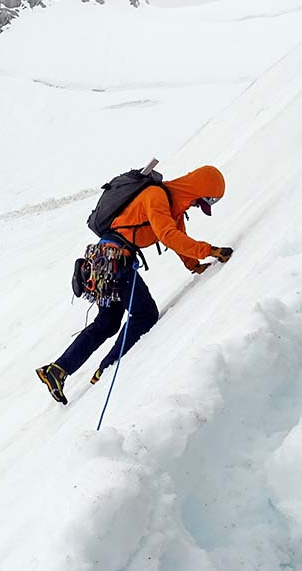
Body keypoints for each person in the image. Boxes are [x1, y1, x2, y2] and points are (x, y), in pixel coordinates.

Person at [35, 165, 233, 405]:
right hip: (116, 261)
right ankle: (106, 369)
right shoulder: (156, 197)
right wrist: (209, 250)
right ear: (195, 190)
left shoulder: (172, 206)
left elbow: (177, 234)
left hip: (103, 262)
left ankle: (57, 370)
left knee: (107, 323)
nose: (195, 207)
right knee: (145, 314)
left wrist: (195, 265)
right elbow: (168, 235)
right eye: (198, 202)